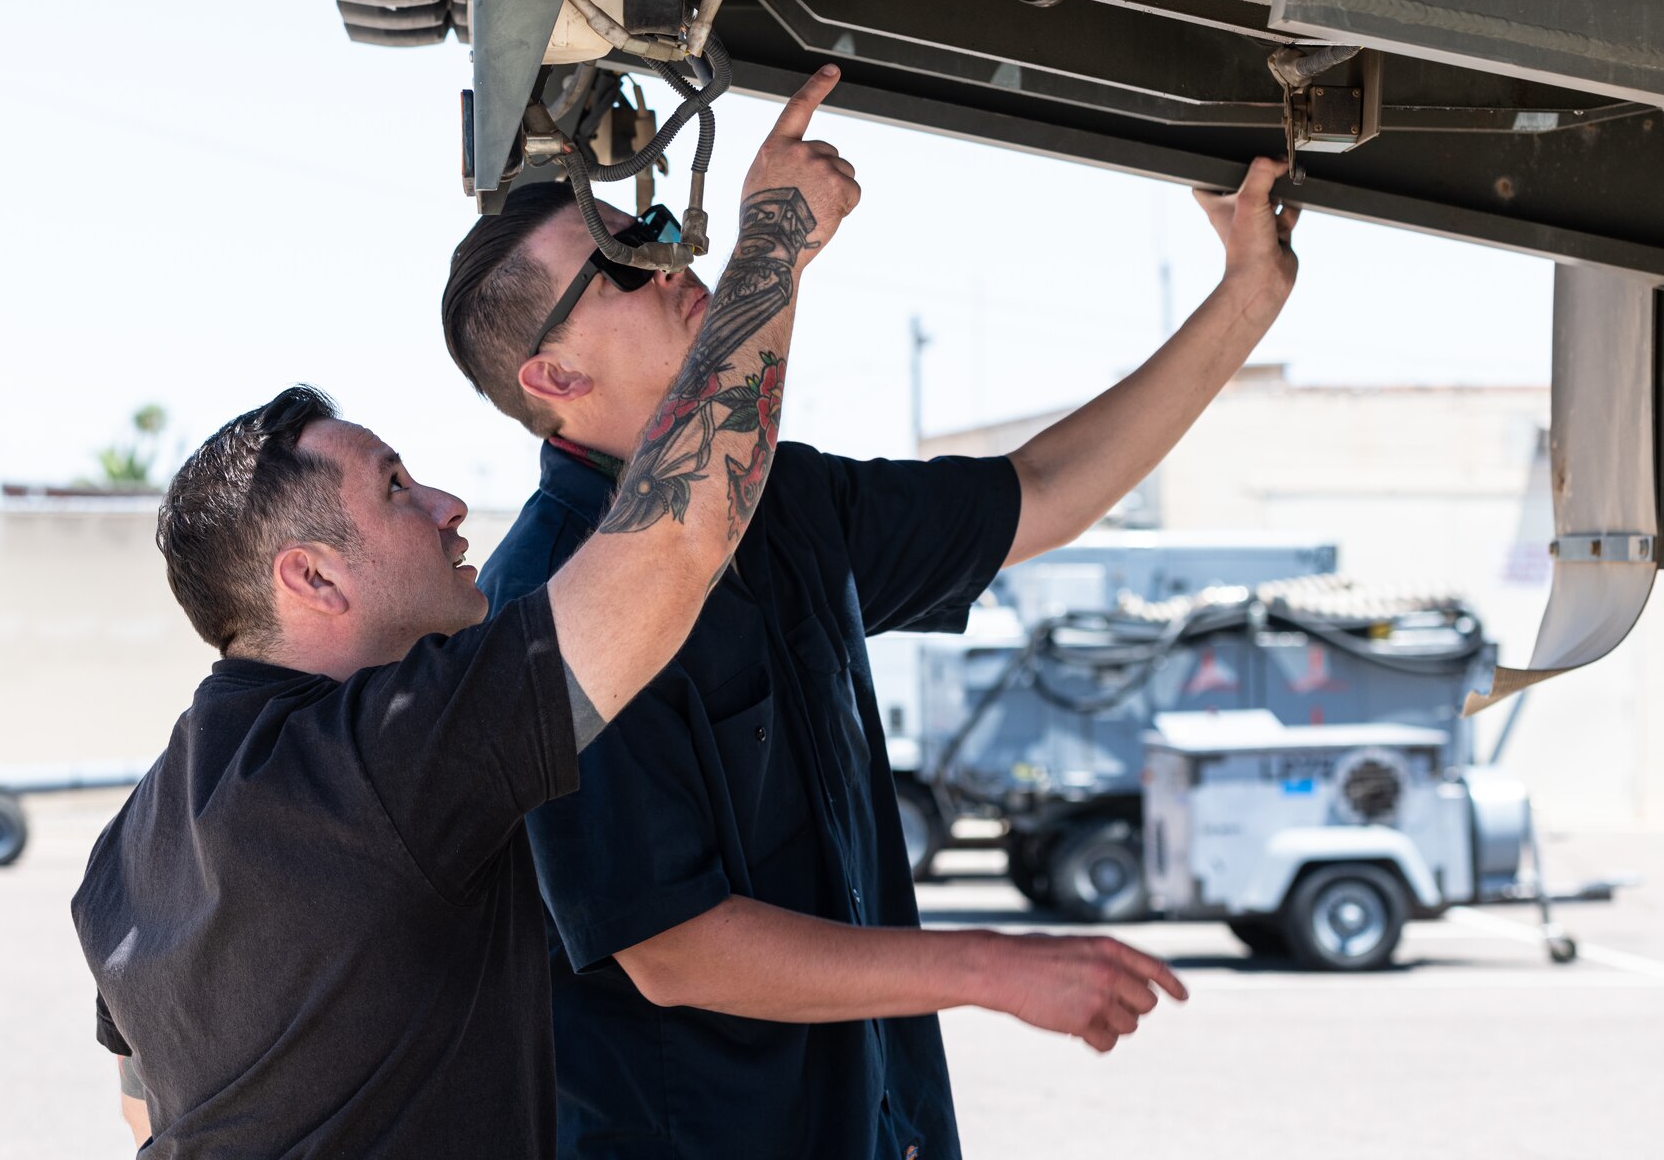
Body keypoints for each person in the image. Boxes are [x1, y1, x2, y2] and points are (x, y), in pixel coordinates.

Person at [442, 124, 1300, 1159]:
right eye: (628, 262)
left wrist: (1247, 292)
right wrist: (989, 967)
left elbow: (1038, 495)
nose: (673, 262)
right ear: (555, 381)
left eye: (662, 231)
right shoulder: (543, 609)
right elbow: (669, 945)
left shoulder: (788, 502)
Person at [71, 66, 864, 1157]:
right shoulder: (383, 760)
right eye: (395, 488)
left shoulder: (137, 839)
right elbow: (677, 542)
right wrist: (771, 240)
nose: (447, 504)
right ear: (310, 578)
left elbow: (141, 1111)